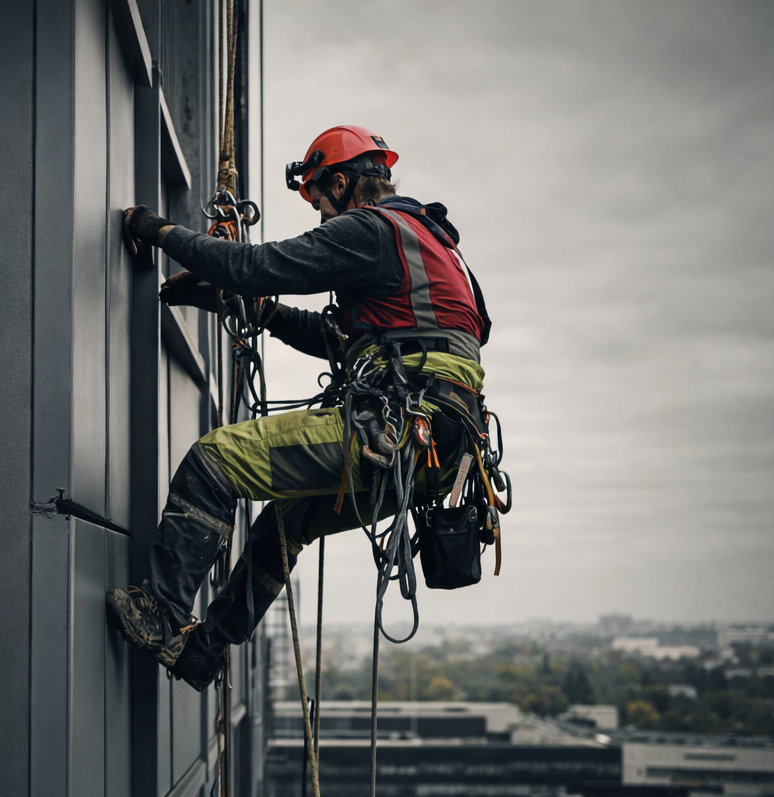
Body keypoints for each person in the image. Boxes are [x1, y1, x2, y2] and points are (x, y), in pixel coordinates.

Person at [107, 125, 492, 690]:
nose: (320, 219)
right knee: (285, 522)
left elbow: (254, 265)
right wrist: (258, 312)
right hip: (440, 449)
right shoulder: (435, 248)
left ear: (339, 182)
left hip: (403, 425)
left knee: (216, 459)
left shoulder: (371, 230)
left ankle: (161, 614)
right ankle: (203, 651)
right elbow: (344, 339)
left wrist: (159, 231)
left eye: (318, 202)